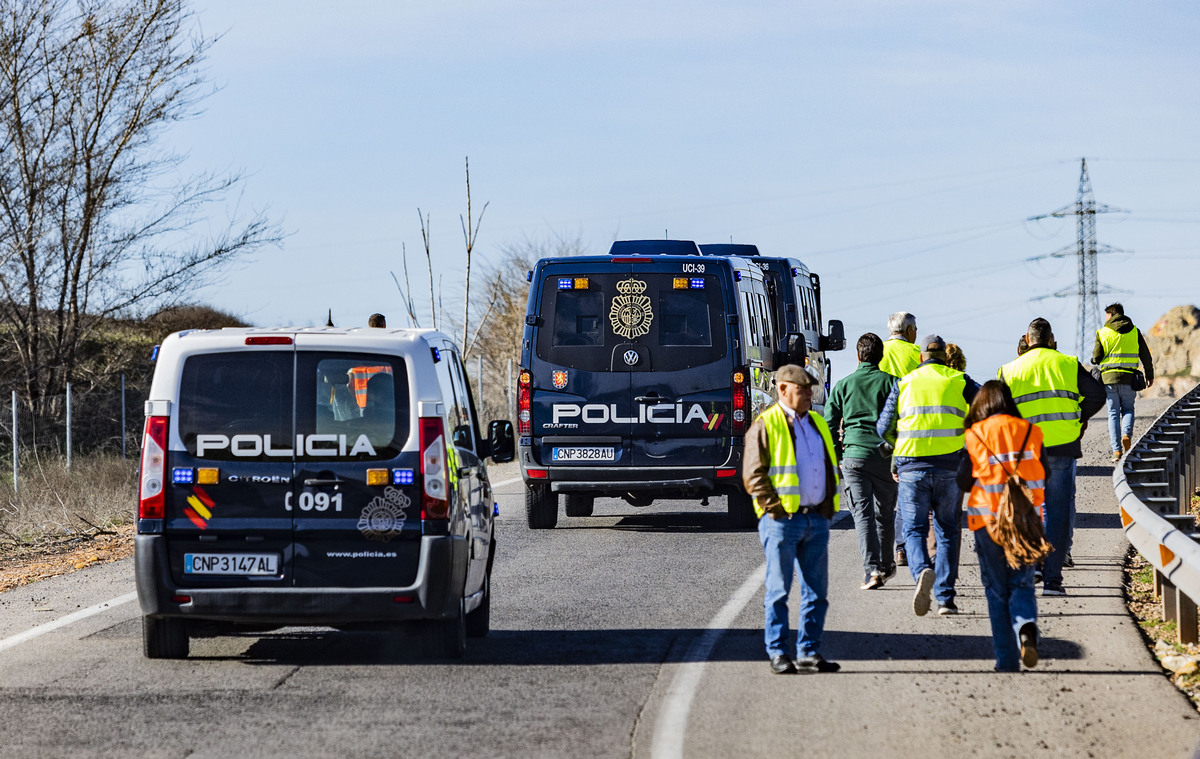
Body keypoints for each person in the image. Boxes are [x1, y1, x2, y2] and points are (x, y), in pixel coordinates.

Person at [743, 364, 841, 674]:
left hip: (816, 521)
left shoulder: (817, 423)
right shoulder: (765, 424)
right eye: (803, 390)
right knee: (778, 591)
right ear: (783, 389)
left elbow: (827, 465)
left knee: (817, 592)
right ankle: (778, 653)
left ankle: (809, 652)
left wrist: (827, 508)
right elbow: (753, 475)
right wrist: (775, 508)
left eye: (810, 389)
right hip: (783, 521)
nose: (810, 394)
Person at [999, 318, 1105, 596]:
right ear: (1051, 338)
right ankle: (1053, 581)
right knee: (1057, 514)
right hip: (1061, 446)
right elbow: (1097, 394)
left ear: (1027, 338)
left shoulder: (1009, 370)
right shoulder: (1067, 363)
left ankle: (1033, 564)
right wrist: (1078, 419)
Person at [877, 334, 979, 617]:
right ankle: (946, 599)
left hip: (912, 468)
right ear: (945, 356)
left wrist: (896, 447)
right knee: (948, 530)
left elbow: (882, 427)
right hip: (950, 467)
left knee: (914, 529)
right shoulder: (960, 381)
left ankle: (922, 571)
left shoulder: (904, 383)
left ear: (921, 356)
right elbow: (986, 405)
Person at [957, 380, 1044, 671]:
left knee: (996, 590)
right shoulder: (1032, 432)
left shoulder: (975, 435)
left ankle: (1006, 660)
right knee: (1022, 583)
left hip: (987, 521)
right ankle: (1026, 628)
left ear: (982, 403)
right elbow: (1045, 476)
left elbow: (963, 480)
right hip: (1025, 521)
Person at [825, 333, 897, 590]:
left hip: (854, 458)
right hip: (884, 458)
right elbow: (902, 421)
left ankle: (872, 570)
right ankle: (887, 565)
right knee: (885, 513)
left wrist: (837, 455)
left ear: (858, 356)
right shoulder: (892, 383)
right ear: (881, 356)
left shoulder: (844, 385)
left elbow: (830, 424)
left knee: (862, 515)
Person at [878, 311, 920, 566]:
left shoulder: (878, 350)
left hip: (881, 426)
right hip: (908, 426)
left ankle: (882, 549)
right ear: (910, 330)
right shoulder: (917, 354)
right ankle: (902, 547)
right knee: (905, 492)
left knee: (884, 494)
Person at [1092, 303, 1155, 462]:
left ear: (1111, 315)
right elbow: (1145, 355)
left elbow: (1096, 358)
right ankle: (1126, 434)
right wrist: (1149, 374)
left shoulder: (1103, 332)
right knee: (1128, 409)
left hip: (1109, 379)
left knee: (1113, 413)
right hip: (1129, 378)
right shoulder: (1134, 331)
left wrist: (1096, 358)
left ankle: (1117, 451)